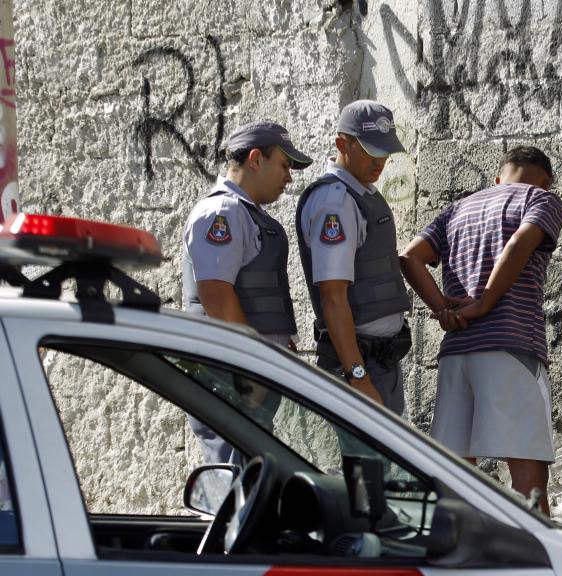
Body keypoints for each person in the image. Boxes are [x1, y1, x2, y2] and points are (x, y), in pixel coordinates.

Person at [398, 146, 562, 514]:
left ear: (498, 178)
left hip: (457, 351)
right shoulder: (542, 199)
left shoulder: (457, 209)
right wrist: (485, 301)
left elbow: (409, 257)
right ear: (547, 181)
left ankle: (454, 559)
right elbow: (520, 242)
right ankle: (537, 565)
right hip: (511, 346)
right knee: (527, 474)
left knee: (454, 475)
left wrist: (441, 307)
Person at [296, 100, 443, 415]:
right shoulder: (335, 202)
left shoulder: (362, 194)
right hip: (357, 367)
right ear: (341, 144)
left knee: (381, 465)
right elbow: (333, 297)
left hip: (380, 362)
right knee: (359, 464)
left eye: (385, 151)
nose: (381, 160)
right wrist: (358, 376)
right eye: (370, 150)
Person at [181, 120, 312, 464]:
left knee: (248, 483)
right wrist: (250, 365)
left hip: (246, 376)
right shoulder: (221, 212)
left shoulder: (246, 214)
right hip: (233, 377)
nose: (289, 177)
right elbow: (216, 296)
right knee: (231, 484)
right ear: (256, 159)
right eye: (284, 165)